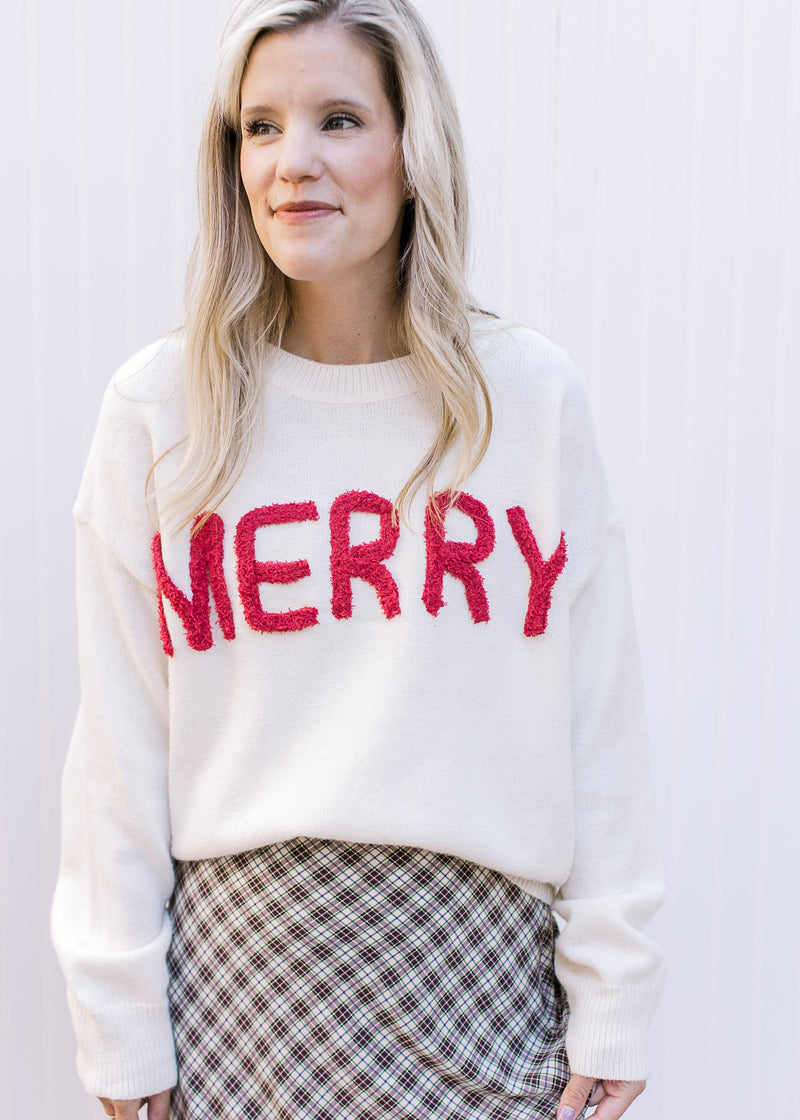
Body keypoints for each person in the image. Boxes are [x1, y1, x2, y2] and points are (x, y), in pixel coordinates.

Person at [51, 1, 665, 1118]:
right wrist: (119, 1026)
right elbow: (117, 748)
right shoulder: (160, 412)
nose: (294, 164)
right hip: (242, 1006)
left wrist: (615, 991)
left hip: (484, 993)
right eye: (260, 127)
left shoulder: (523, 402)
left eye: (339, 120)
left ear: (411, 146)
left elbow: (598, 715)